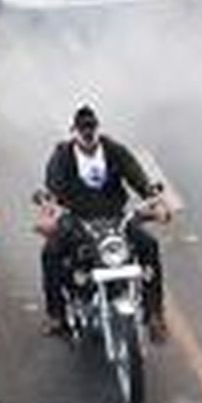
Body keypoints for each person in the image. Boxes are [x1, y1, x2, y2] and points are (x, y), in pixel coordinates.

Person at [39, 106, 170, 343]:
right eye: (83, 129)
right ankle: (57, 316)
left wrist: (155, 201)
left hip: (115, 219)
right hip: (78, 220)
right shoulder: (63, 155)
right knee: (50, 253)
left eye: (91, 128)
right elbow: (53, 190)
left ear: (97, 129)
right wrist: (50, 212)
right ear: (74, 131)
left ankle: (154, 315)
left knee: (149, 245)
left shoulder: (113, 150)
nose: (88, 134)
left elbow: (137, 177)